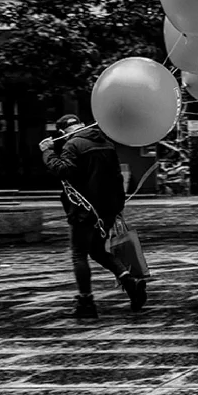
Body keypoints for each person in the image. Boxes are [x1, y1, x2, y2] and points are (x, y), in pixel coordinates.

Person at [39, 114, 147, 319]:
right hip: (107, 209)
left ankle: (86, 301)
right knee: (97, 250)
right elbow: (117, 177)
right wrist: (117, 206)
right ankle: (130, 282)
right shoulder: (106, 143)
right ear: (81, 125)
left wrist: (48, 153)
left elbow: (63, 170)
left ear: (62, 132)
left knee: (79, 254)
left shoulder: (73, 145)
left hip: (84, 210)